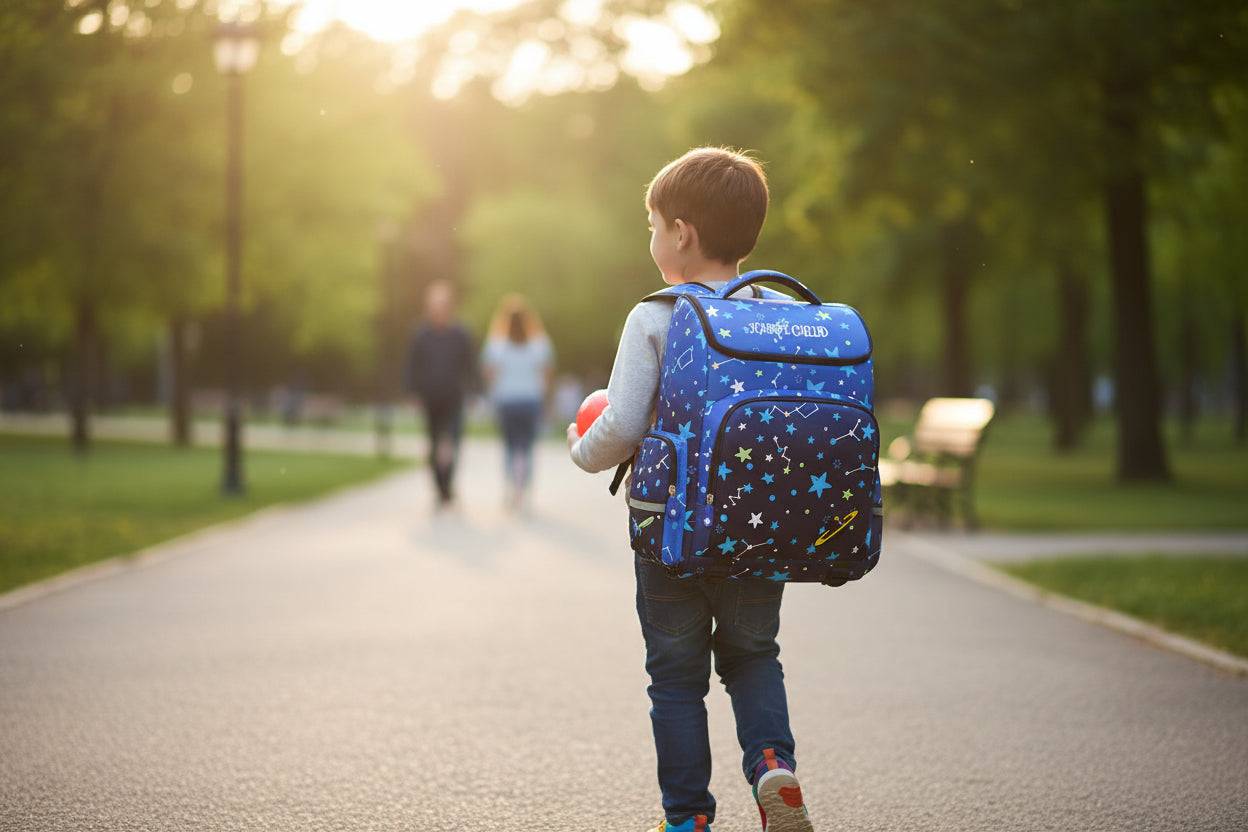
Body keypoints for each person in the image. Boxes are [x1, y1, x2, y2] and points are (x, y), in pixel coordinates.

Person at [567, 148, 815, 832]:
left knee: (676, 679)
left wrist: (580, 451)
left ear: (681, 233)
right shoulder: (781, 312)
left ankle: (688, 820)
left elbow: (618, 425)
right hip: (762, 530)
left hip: (670, 536)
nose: (651, 241)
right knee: (753, 654)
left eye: (651, 227)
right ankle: (771, 766)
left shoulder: (655, 315)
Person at [404, 279, 477, 510]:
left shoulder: (460, 334)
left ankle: (449, 483)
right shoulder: (421, 335)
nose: (440, 309)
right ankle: (440, 488)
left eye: (443, 304)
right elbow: (411, 365)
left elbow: (470, 365)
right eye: (436, 304)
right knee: (434, 445)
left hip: (454, 397)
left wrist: (474, 392)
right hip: (430, 398)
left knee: (453, 442)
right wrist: (412, 392)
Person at [482, 294, 554, 511]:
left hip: (506, 402)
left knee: (510, 448)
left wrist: (491, 397)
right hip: (531, 401)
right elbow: (547, 375)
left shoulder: (496, 346)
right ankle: (526, 494)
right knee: (528, 448)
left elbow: (489, 375)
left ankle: (511, 490)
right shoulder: (539, 345)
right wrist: (546, 401)